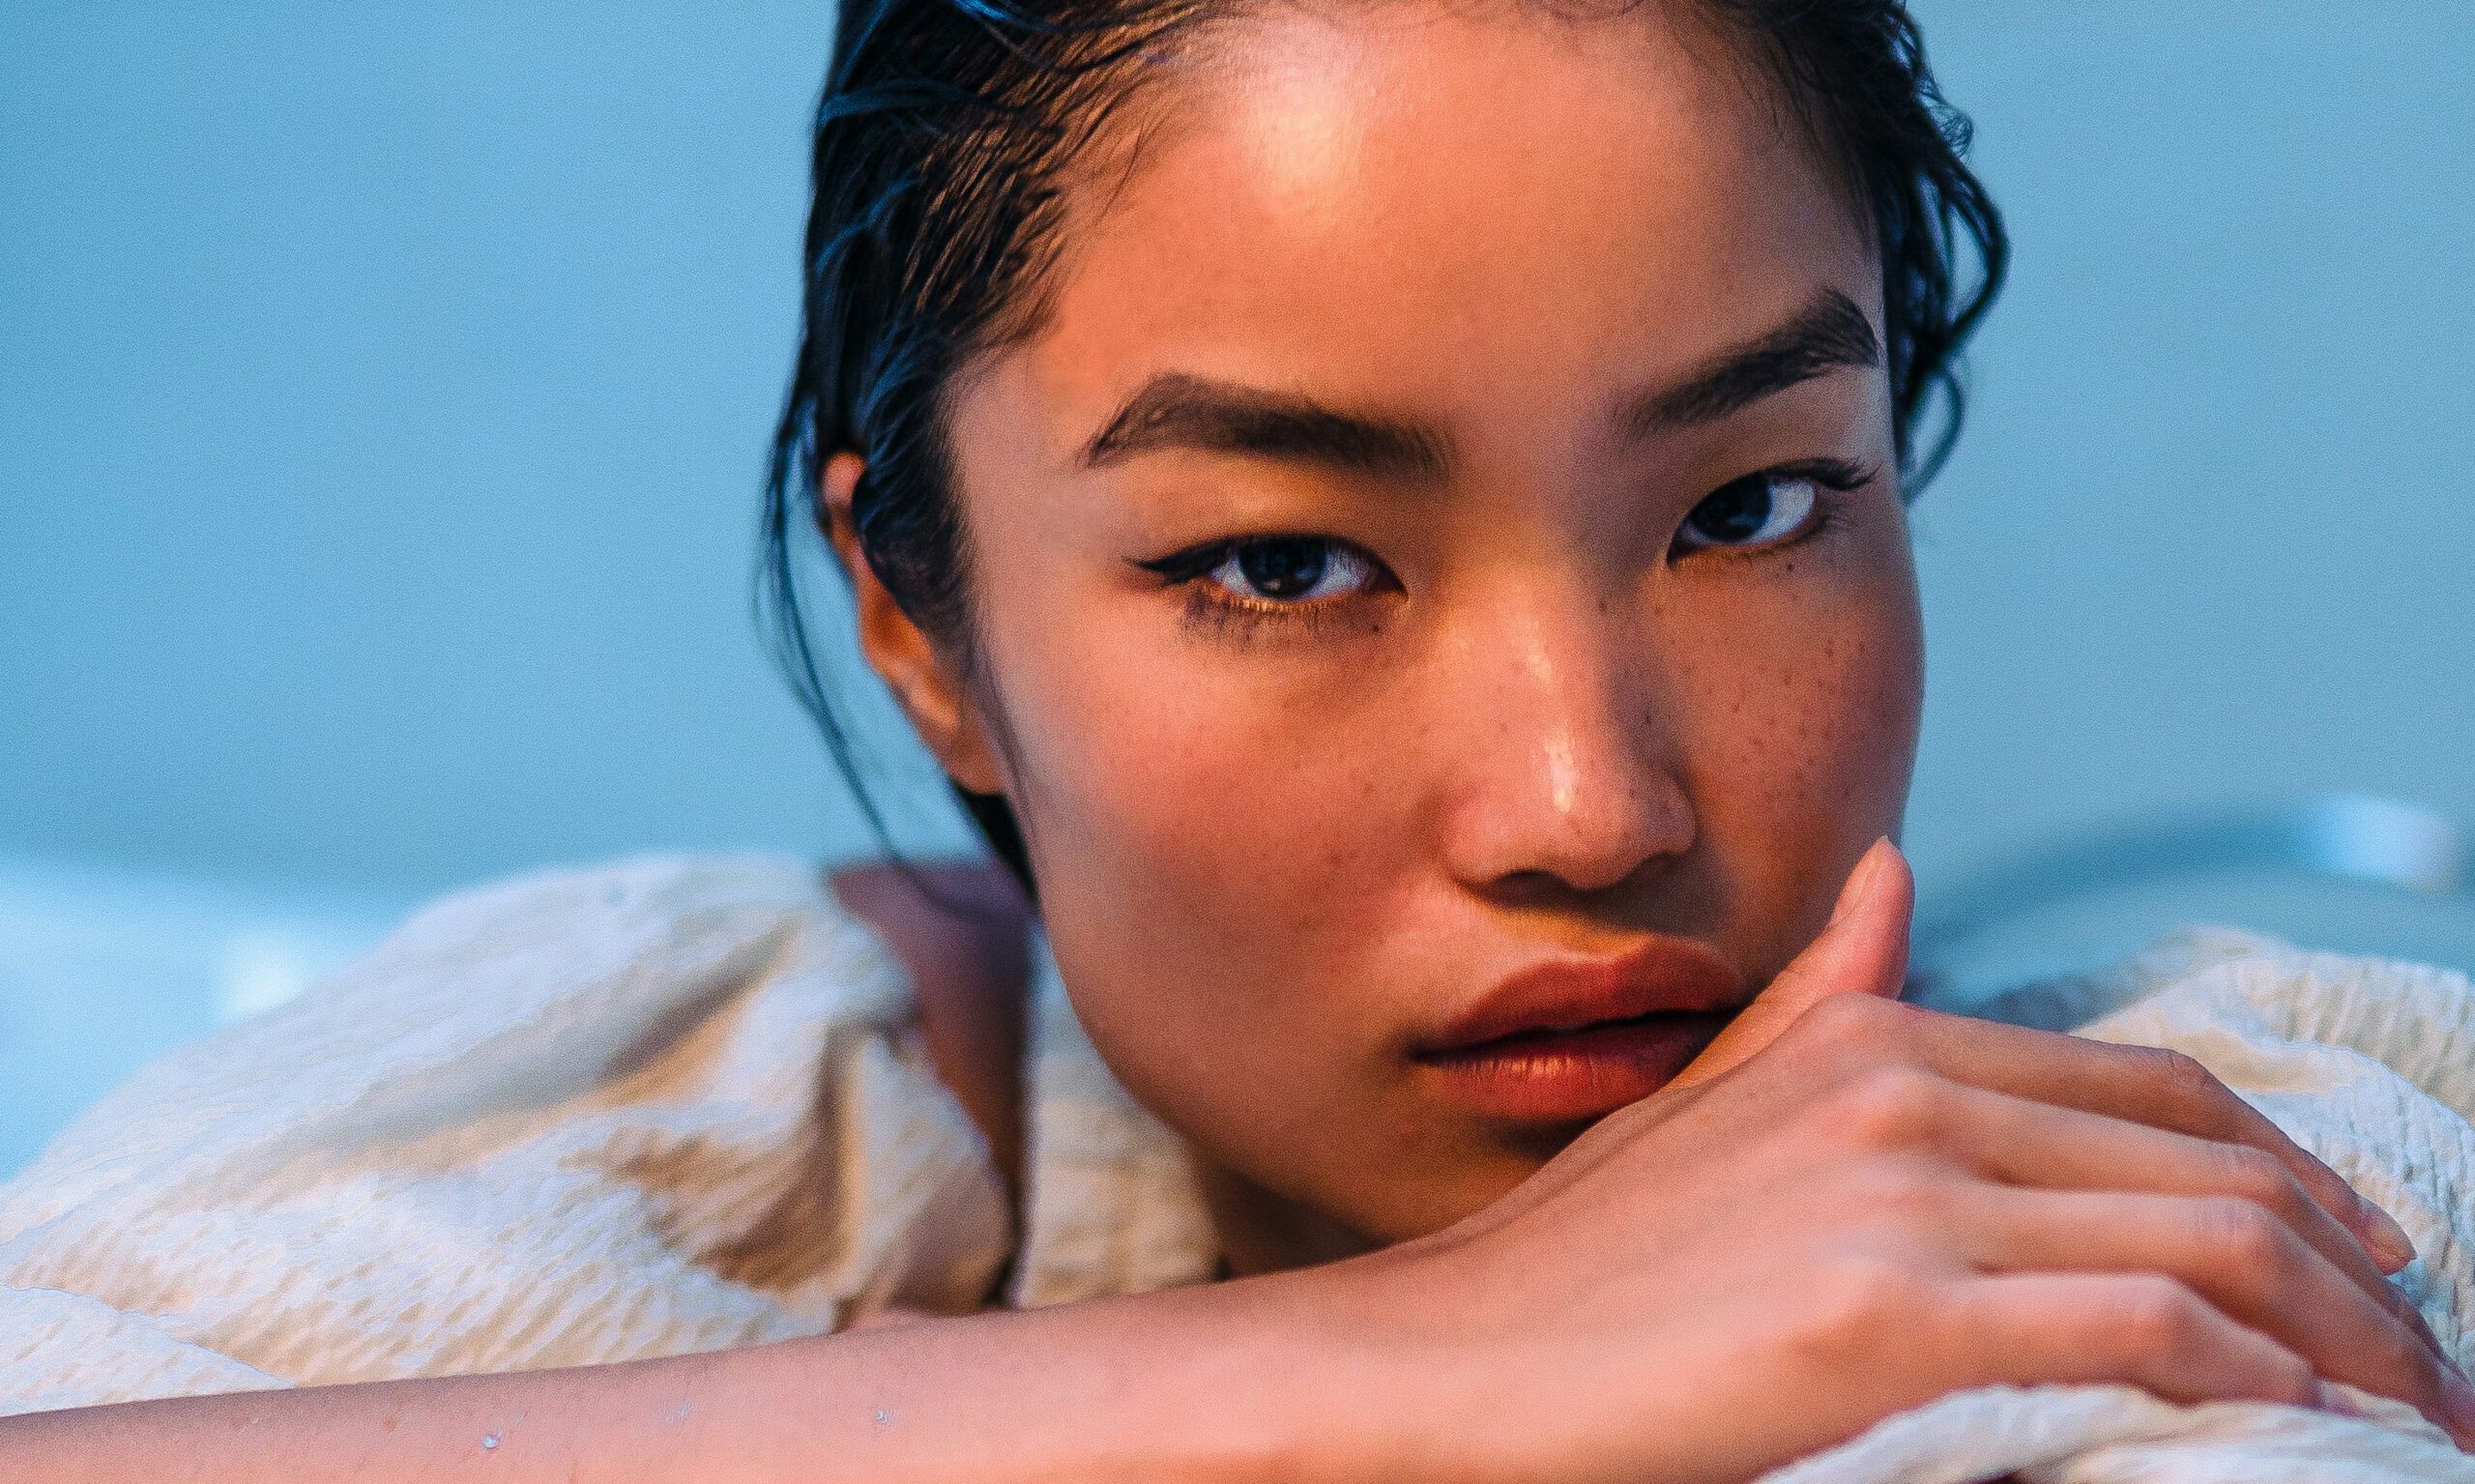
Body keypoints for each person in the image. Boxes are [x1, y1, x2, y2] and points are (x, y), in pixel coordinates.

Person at [3, 0, 2471, 1478]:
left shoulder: (2245, 1174)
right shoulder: (674, 1100)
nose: (1587, 805)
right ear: (919, 619)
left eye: (1748, 504)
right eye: (1282, 565)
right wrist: (1382, 1379)